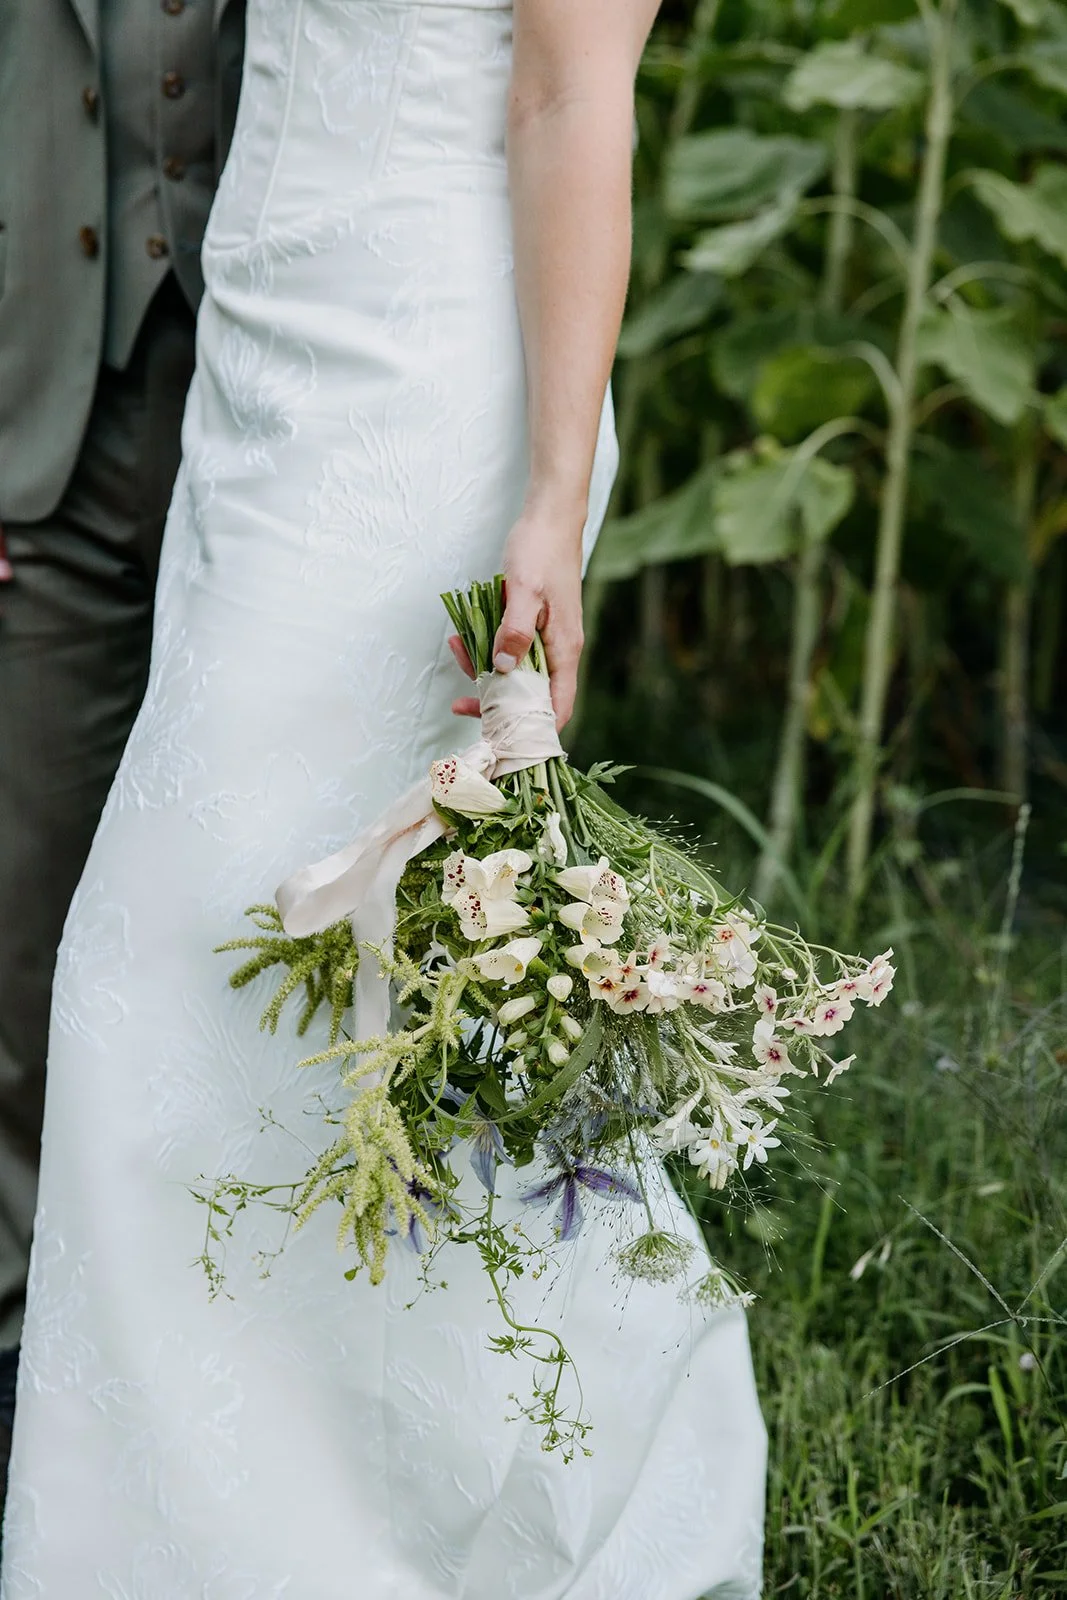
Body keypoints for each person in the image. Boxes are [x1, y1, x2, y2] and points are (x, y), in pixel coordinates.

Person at [1, 0, 768, 1592]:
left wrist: (553, 497)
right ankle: (278, 1506)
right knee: (323, 999)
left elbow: (570, 104)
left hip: (429, 387)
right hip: (264, 383)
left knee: (167, 976)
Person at [0, 0, 245, 1519]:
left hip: (289, 406)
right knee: (17, 944)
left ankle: (234, 1370)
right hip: (35, 425)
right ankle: (25, 1398)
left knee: (272, 922)